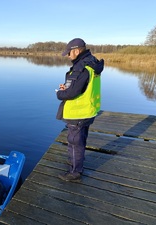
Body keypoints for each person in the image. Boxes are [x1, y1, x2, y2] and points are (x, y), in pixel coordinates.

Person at [56, 38, 104, 182]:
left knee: (75, 141)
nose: (68, 56)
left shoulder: (82, 67)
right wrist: (68, 87)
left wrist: (59, 93)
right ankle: (74, 163)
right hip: (88, 110)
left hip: (79, 112)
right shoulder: (91, 64)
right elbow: (81, 87)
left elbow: (71, 93)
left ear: (76, 51)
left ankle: (75, 172)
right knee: (78, 140)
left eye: (69, 53)